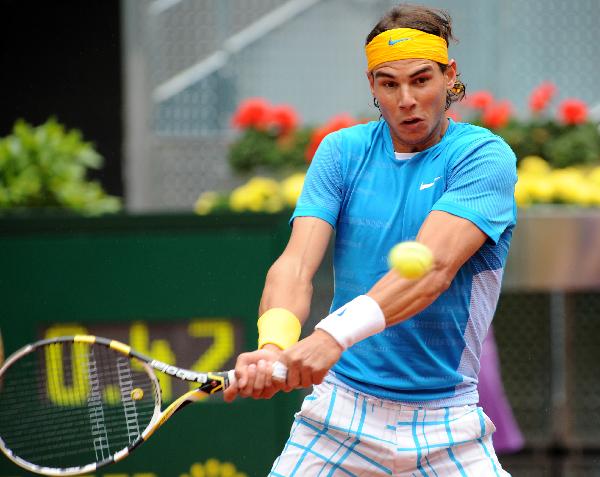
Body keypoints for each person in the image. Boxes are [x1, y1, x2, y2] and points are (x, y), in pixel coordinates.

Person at [224, 4, 517, 476]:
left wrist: (330, 337)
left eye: (421, 80)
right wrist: (274, 345)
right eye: (388, 83)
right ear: (372, 86)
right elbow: (296, 264)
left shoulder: (483, 157)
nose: (406, 99)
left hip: (447, 422)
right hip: (338, 416)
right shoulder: (341, 152)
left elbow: (431, 271)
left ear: (449, 76)